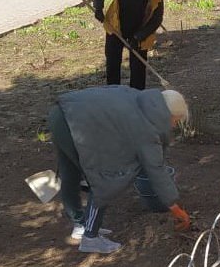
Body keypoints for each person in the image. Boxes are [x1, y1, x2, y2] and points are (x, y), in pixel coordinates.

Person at [47, 86, 191, 254]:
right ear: (168, 114)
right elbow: (156, 168)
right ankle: (90, 238)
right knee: (103, 179)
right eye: (175, 120)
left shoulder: (140, 98)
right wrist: (174, 206)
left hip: (62, 113)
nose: (174, 125)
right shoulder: (147, 127)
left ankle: (80, 224)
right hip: (76, 125)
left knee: (70, 172)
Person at [93, 0, 165, 89]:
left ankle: (137, 95)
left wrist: (139, 36)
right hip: (115, 26)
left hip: (139, 30)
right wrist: (98, 8)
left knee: (138, 66)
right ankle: (113, 92)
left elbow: (156, 19)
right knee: (113, 62)